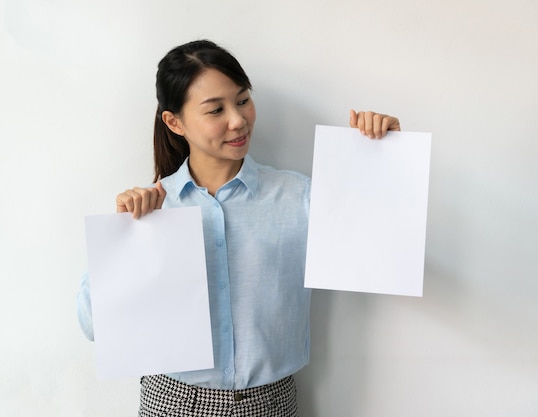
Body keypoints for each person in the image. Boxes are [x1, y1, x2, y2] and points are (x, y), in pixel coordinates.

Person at [77, 39, 400, 417]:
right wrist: (124, 237)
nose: (238, 120)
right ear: (174, 122)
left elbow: (386, 256)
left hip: (272, 403)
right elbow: (92, 325)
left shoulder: (300, 197)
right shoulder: (151, 211)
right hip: (174, 402)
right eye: (216, 109)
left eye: (243, 100)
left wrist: (383, 155)